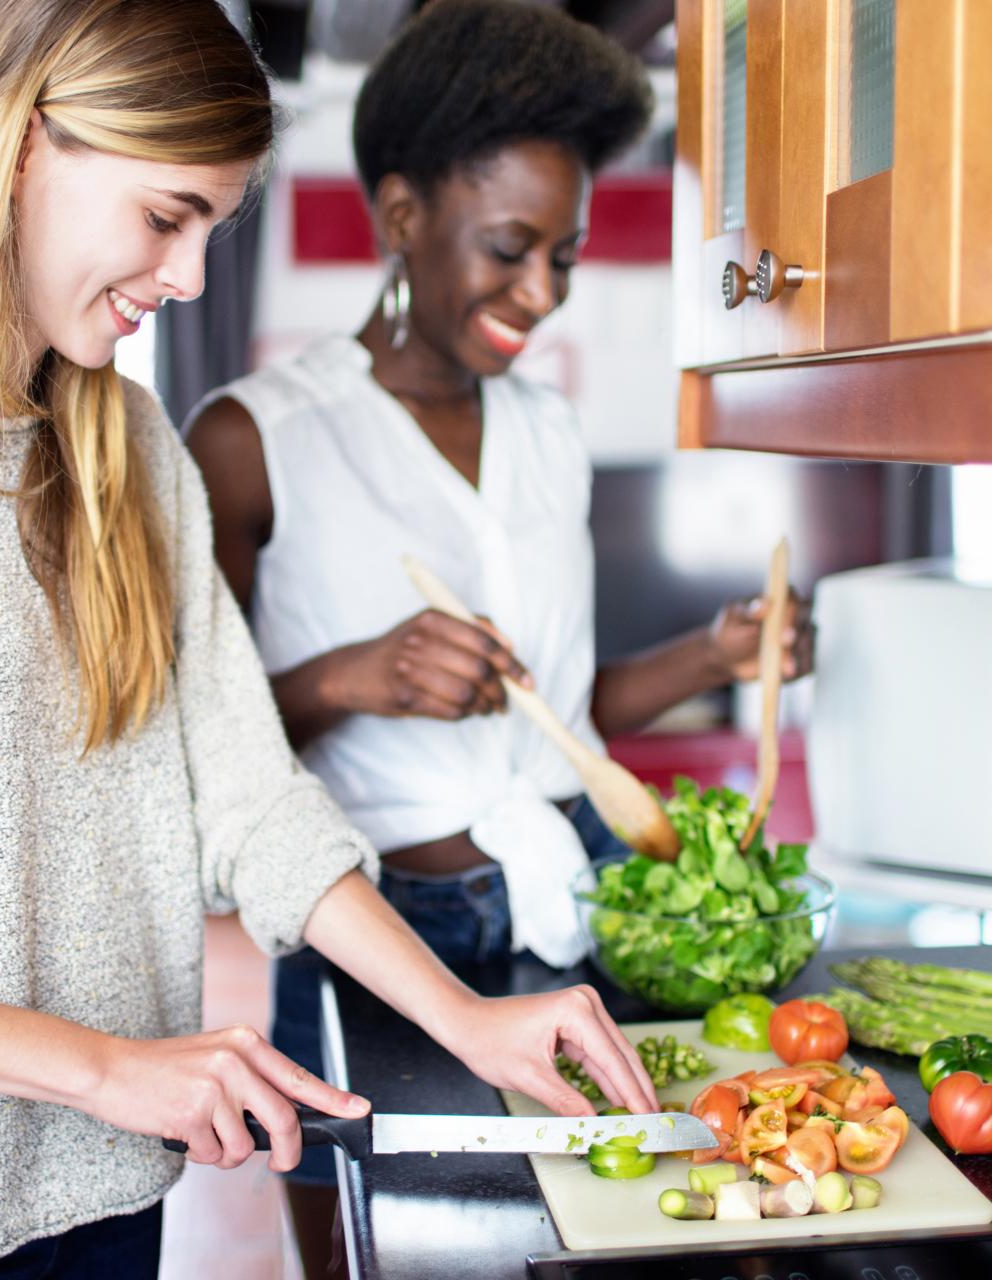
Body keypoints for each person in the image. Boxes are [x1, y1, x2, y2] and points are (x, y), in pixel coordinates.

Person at [0, 4, 660, 1279]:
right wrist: (107, 1067)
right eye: (164, 216)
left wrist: (468, 1019)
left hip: (116, 1186)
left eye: (208, 233)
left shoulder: (129, 449)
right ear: (22, 146)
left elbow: (248, 796)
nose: (185, 279)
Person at [186, 1, 814, 1272]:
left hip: (573, 892)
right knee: (382, 1251)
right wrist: (351, 674)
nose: (542, 293)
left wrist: (713, 654)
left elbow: (559, 720)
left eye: (565, 255)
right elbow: (196, 753)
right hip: (385, 929)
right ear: (402, 213)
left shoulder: (546, 431)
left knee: (605, 1238)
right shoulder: (252, 439)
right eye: (510, 247)